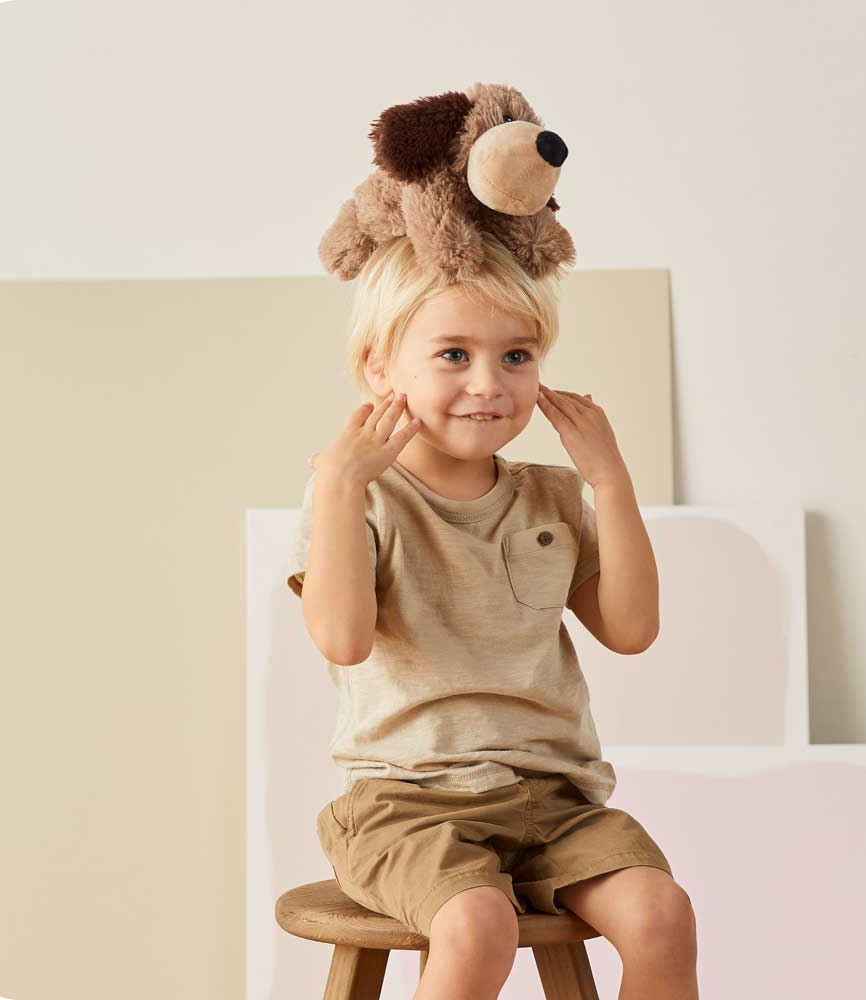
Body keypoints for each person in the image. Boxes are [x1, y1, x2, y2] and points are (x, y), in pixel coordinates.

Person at [286, 232, 699, 1000]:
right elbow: (341, 640)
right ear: (379, 368)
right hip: (404, 803)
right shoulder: (357, 496)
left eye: (516, 356)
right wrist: (342, 485)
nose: (489, 383)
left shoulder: (551, 495)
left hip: (557, 803)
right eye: (453, 355)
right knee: (479, 925)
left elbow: (632, 630)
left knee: (662, 915)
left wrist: (609, 481)